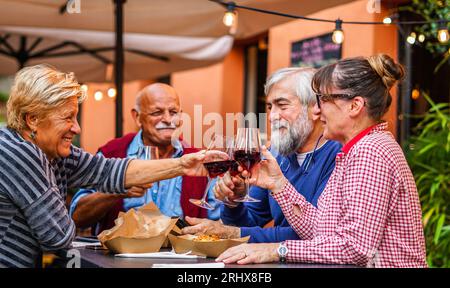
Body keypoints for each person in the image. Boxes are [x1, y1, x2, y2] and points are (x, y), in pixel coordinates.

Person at [0, 64, 227, 268]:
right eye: (68, 118)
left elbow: (110, 171)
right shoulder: (17, 154)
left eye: (76, 118)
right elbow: (58, 236)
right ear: (33, 119)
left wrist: (181, 165)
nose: (77, 128)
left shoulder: (51, 152)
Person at [215, 54, 427, 268]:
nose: (318, 109)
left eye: (324, 99)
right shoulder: (355, 150)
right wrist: (278, 184)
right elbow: (320, 230)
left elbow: (355, 249)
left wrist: (276, 249)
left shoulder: (370, 151)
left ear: (355, 106)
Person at [181, 67, 341, 243]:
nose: (272, 116)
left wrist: (231, 233)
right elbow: (249, 222)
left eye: (282, 105)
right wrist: (235, 201)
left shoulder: (339, 156)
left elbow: (317, 233)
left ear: (316, 108)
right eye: (270, 107)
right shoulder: (276, 155)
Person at [70, 83, 219, 235]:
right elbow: (77, 217)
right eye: (157, 112)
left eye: (173, 112)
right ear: (137, 117)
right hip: (117, 257)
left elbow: (220, 221)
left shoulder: (199, 160)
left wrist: (235, 196)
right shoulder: (112, 153)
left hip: (180, 257)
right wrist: (116, 191)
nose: (168, 119)